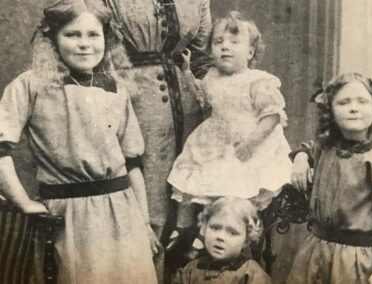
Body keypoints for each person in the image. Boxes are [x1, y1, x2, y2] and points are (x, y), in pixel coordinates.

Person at [0, 1, 158, 283]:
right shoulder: (31, 85)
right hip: (69, 219)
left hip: (124, 214)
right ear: (53, 39)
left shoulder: (116, 89)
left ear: (106, 40)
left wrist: (144, 222)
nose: (84, 44)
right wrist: (22, 201)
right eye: (73, 35)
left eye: (93, 35)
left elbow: (133, 163)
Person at [101, 0, 212, 280]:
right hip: (134, 104)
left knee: (188, 210)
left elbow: (201, 57)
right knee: (147, 206)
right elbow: (93, 44)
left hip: (189, 113)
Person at [166, 11, 292, 252]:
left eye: (235, 43)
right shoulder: (212, 76)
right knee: (199, 184)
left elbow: (272, 115)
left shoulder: (257, 80)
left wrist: (251, 144)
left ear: (251, 52)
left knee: (232, 195)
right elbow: (203, 97)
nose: (225, 48)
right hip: (214, 142)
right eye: (218, 42)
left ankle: (228, 236)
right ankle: (193, 230)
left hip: (244, 146)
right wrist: (186, 72)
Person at [287, 73, 372, 284]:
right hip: (316, 252)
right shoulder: (326, 146)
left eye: (362, 101)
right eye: (344, 102)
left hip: (358, 261)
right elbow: (310, 149)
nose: (353, 108)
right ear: (331, 111)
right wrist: (301, 158)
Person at [172, 196, 271, 283]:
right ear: (205, 227)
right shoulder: (190, 270)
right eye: (215, 228)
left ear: (246, 240)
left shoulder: (252, 274)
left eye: (232, 233)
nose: (220, 237)